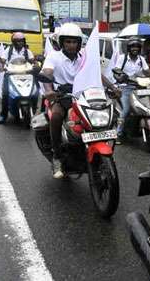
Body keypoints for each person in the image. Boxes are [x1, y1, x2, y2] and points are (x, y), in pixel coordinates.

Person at [41, 23, 119, 179]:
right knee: (56, 116)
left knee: (112, 114)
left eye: (74, 42)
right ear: (62, 42)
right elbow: (47, 72)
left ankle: (100, 149)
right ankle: (57, 156)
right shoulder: (54, 57)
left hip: (85, 96)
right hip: (62, 97)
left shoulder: (85, 56)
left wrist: (113, 87)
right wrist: (49, 90)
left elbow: (97, 74)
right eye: (68, 42)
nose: (71, 45)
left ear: (79, 43)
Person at [112, 37, 150, 140]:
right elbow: (116, 70)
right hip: (125, 88)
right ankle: (118, 133)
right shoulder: (123, 58)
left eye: (137, 47)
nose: (135, 49)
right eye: (133, 46)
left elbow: (147, 72)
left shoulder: (141, 59)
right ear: (129, 48)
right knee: (125, 110)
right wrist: (121, 76)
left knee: (148, 107)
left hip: (139, 88)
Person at [0, 32, 35, 124]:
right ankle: (3, 115)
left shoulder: (27, 51)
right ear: (13, 42)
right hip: (11, 74)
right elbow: (2, 60)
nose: (20, 43)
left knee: (35, 91)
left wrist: (35, 65)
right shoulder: (8, 51)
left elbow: (33, 61)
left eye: (22, 41)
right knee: (5, 93)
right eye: (17, 41)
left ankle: (34, 111)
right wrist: (2, 67)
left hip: (26, 74)